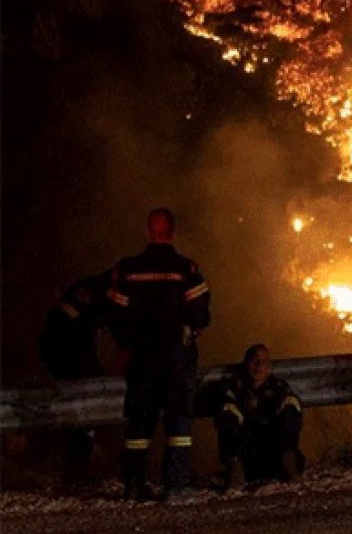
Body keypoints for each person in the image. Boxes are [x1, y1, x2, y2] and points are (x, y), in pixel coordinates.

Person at [108, 208, 211, 501]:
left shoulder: (128, 268)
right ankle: (175, 486)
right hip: (174, 357)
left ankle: (133, 485)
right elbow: (201, 313)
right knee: (178, 421)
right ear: (173, 232)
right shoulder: (184, 269)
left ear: (148, 232)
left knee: (139, 421)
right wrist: (191, 329)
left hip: (140, 357)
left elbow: (115, 312)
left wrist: (125, 344)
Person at [39, 271, 111, 486]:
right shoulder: (92, 299)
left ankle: (77, 471)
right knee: (81, 422)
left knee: (80, 422)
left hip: (69, 365)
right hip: (73, 366)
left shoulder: (81, 299)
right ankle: (77, 473)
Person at [217, 344, 304, 490]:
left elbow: (290, 413)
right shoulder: (233, 388)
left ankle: (289, 465)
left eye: (263, 362)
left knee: (291, 404)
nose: (258, 366)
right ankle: (236, 473)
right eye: (254, 361)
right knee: (227, 412)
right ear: (246, 363)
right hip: (246, 454)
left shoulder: (279, 387)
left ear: (269, 366)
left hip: (273, 451)